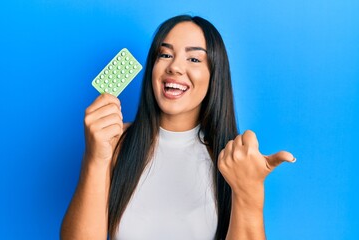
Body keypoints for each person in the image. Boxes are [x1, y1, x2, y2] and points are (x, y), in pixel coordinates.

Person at [60, 15, 295, 240]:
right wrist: (95, 157)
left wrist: (249, 193)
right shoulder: (115, 142)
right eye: (165, 55)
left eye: (193, 59)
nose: (174, 67)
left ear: (215, 76)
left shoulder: (231, 159)